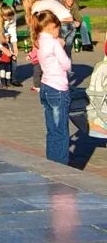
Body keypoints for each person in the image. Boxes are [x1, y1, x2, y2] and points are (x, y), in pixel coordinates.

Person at [33, 10, 73, 165]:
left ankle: (52, 161)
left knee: (51, 129)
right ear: (51, 26)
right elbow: (66, 64)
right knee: (61, 131)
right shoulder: (54, 42)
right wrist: (61, 46)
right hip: (58, 88)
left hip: (45, 87)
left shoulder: (40, 40)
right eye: (58, 27)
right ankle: (62, 164)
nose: (59, 31)